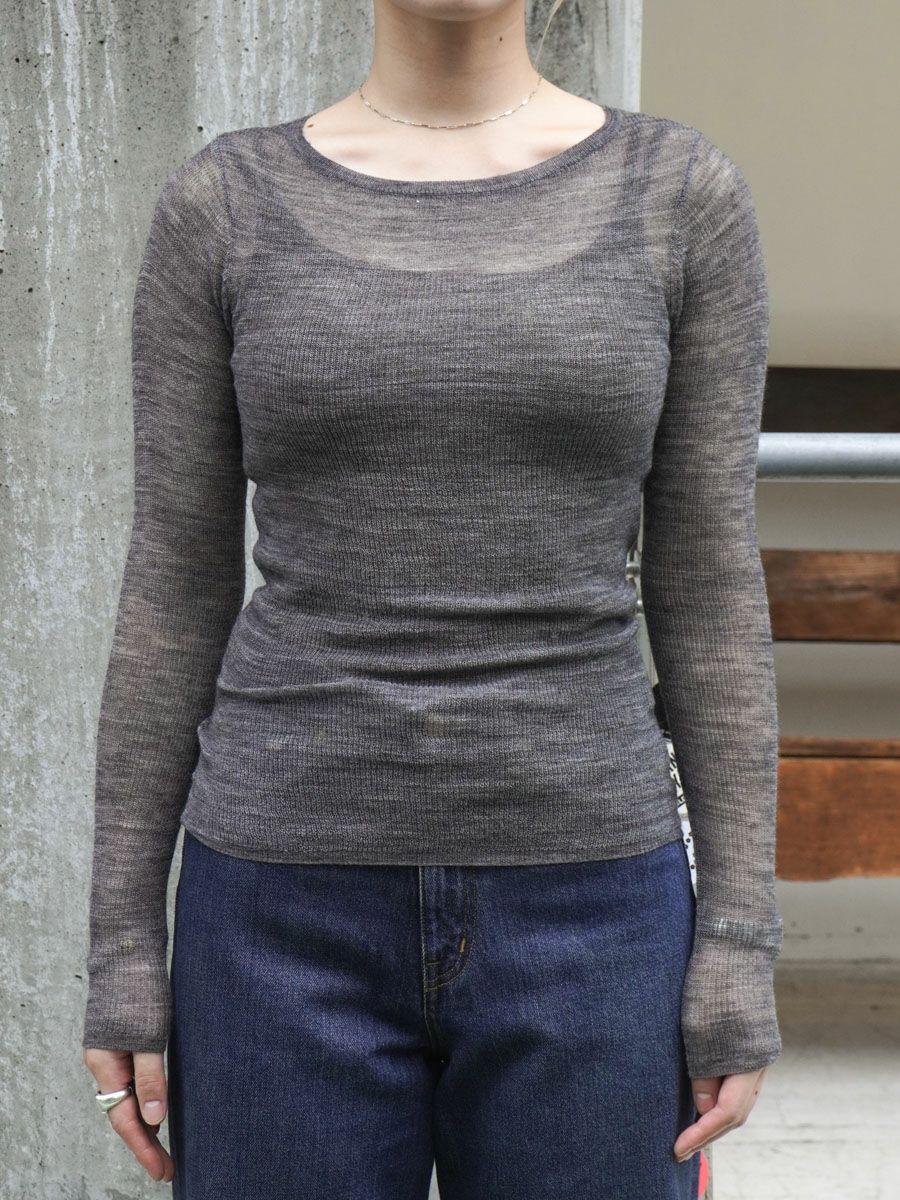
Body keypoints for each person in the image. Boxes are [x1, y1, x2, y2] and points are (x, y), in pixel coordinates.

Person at [80, 0, 785, 1196]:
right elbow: (172, 587)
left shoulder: (677, 196)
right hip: (277, 918)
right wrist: (123, 950)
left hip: (596, 909)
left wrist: (736, 939)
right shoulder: (227, 204)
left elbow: (710, 587)